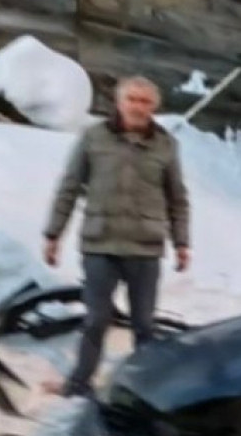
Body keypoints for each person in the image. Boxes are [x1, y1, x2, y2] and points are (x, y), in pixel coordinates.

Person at [42, 75, 191, 398]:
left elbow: (177, 199)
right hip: (101, 245)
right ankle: (79, 383)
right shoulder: (94, 138)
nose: (138, 107)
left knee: (143, 325)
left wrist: (181, 242)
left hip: (145, 248)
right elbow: (69, 188)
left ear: (154, 107)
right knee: (96, 319)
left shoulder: (165, 145)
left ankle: (145, 389)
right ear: (119, 102)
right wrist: (53, 234)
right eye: (132, 99)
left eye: (145, 101)